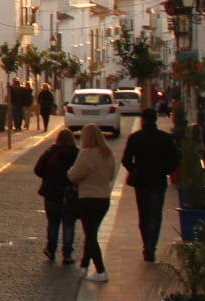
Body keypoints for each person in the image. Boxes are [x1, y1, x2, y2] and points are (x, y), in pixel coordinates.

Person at [120, 108, 180, 262]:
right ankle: (151, 247)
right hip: (158, 181)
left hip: (141, 181)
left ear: (143, 120)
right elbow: (175, 160)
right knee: (155, 215)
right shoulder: (165, 138)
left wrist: (135, 170)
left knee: (144, 214)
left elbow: (126, 160)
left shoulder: (135, 138)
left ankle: (146, 244)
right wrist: (165, 170)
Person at [66, 122, 117, 282]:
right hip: (104, 198)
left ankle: (100, 270)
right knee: (92, 233)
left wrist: (70, 172)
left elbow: (74, 175)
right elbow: (110, 175)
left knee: (90, 235)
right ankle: (84, 265)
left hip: (88, 198)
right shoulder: (107, 153)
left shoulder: (86, 154)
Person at [34, 128, 79, 264]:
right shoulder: (77, 154)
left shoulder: (51, 152)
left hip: (51, 193)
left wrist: (48, 177)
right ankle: (67, 254)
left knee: (53, 223)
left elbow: (38, 169)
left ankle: (51, 249)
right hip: (69, 195)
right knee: (69, 224)